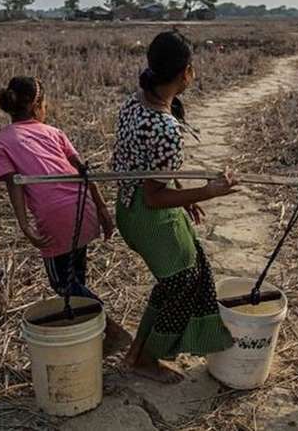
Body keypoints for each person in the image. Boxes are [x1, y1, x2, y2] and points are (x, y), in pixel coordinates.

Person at [112, 31, 239, 384]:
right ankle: (146, 359)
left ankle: (138, 352)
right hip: (149, 215)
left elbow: (153, 169)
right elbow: (155, 195)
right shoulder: (165, 126)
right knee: (183, 283)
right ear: (187, 73)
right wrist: (208, 192)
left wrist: (184, 193)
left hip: (129, 206)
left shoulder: (135, 102)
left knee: (182, 278)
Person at [0, 76, 131, 355]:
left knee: (62, 284)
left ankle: (110, 330)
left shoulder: (1, 142)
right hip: (83, 208)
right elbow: (84, 171)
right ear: (37, 105)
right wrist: (102, 210)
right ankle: (87, 333)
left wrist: (25, 226)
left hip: (56, 217)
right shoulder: (54, 132)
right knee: (76, 277)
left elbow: (14, 186)